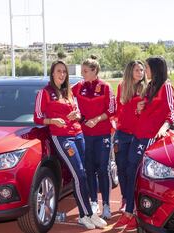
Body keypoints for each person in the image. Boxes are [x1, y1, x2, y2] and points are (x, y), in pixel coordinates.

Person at [34, 60, 107, 230]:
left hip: (78, 134)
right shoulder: (45, 92)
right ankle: (88, 213)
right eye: (59, 71)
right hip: (62, 138)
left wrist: (77, 115)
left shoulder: (69, 92)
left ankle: (85, 215)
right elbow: (37, 117)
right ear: (52, 73)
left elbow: (79, 112)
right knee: (79, 174)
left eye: (64, 72)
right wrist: (52, 120)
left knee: (84, 173)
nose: (62, 74)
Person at [114, 56, 174, 232]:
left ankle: (131, 214)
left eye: (147, 68)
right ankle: (131, 211)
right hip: (137, 136)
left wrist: (164, 127)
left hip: (149, 137)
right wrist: (140, 108)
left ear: (156, 69)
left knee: (135, 174)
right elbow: (145, 111)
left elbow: (171, 111)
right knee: (128, 171)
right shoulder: (150, 87)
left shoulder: (166, 86)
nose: (145, 71)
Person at [72, 56, 115, 219]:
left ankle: (106, 205)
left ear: (94, 71)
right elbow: (67, 97)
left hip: (102, 134)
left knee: (103, 169)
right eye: (82, 70)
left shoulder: (105, 87)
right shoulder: (78, 86)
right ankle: (93, 202)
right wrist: (79, 117)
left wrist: (97, 119)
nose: (82, 73)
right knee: (88, 169)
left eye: (85, 71)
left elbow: (111, 110)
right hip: (84, 135)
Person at [114, 60, 147, 212]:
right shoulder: (122, 86)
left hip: (137, 135)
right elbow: (121, 111)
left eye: (142, 70)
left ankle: (132, 201)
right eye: (137, 70)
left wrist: (135, 108)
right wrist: (135, 105)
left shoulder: (146, 88)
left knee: (131, 169)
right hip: (122, 133)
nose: (140, 73)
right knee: (120, 167)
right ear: (130, 72)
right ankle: (125, 198)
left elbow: (146, 112)